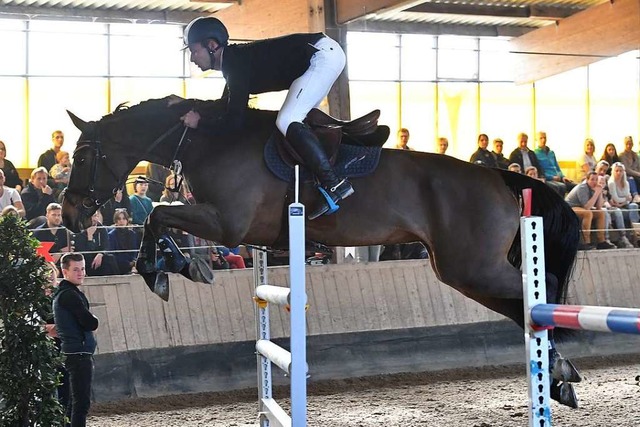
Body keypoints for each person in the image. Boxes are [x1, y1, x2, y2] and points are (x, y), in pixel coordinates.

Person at [181, 16, 352, 220]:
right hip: (324, 53)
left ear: (211, 45)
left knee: (287, 120)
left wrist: (199, 122)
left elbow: (234, 121)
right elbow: (226, 107)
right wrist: (192, 108)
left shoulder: (234, 65)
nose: (192, 58)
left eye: (194, 51)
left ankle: (335, 183)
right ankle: (316, 185)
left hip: (321, 55)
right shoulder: (234, 63)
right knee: (296, 121)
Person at [52, 252, 98, 427]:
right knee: (81, 403)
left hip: (74, 351)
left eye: (83, 269)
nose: (81, 273)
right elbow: (89, 322)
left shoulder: (66, 293)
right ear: (65, 271)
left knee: (72, 402)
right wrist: (94, 319)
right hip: (78, 353)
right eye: (76, 269)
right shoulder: (69, 295)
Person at [565, 171, 616, 250]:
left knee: (600, 213)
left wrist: (599, 193)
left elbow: (599, 207)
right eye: (592, 179)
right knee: (588, 213)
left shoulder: (594, 188)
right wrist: (596, 193)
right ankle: (586, 242)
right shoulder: (582, 187)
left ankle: (601, 241)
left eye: (596, 180)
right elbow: (587, 207)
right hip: (570, 208)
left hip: (581, 208)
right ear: (587, 180)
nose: (594, 182)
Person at [73, 210, 118, 276]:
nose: (94, 219)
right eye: (91, 216)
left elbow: (106, 245)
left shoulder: (101, 228)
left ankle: (117, 280)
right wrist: (90, 237)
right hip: (87, 259)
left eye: (95, 216)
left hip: (99, 257)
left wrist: (100, 254)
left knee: (110, 258)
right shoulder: (79, 230)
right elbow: (84, 251)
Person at [533, 131, 573, 196]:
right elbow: (540, 171)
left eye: (544, 138)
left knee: (575, 186)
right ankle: (558, 205)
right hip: (548, 179)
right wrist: (551, 177)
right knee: (560, 186)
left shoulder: (551, 153)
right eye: (541, 138)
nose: (543, 140)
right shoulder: (535, 153)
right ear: (536, 140)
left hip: (558, 177)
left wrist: (563, 176)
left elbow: (557, 167)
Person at [608, 162, 639, 245]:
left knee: (634, 205)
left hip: (624, 205)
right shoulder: (611, 183)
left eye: (621, 171)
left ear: (623, 172)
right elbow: (616, 199)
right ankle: (633, 234)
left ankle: (635, 231)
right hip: (617, 207)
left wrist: (622, 202)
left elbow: (629, 198)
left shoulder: (626, 183)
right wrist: (624, 200)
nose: (619, 173)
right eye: (617, 171)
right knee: (625, 211)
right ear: (613, 172)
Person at [108, 209, 139, 274]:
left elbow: (134, 251)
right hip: (119, 262)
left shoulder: (132, 234)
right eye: (119, 219)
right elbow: (113, 253)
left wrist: (133, 261)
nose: (121, 221)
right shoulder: (111, 235)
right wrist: (128, 263)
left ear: (127, 220)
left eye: (124, 219)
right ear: (116, 221)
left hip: (131, 261)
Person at [618, 136, 640, 202]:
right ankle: (635, 195)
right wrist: (638, 173)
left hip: (637, 174)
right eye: (627, 144)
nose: (628, 146)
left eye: (630, 144)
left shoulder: (635, 155)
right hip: (628, 175)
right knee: (631, 178)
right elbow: (626, 169)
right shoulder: (622, 155)